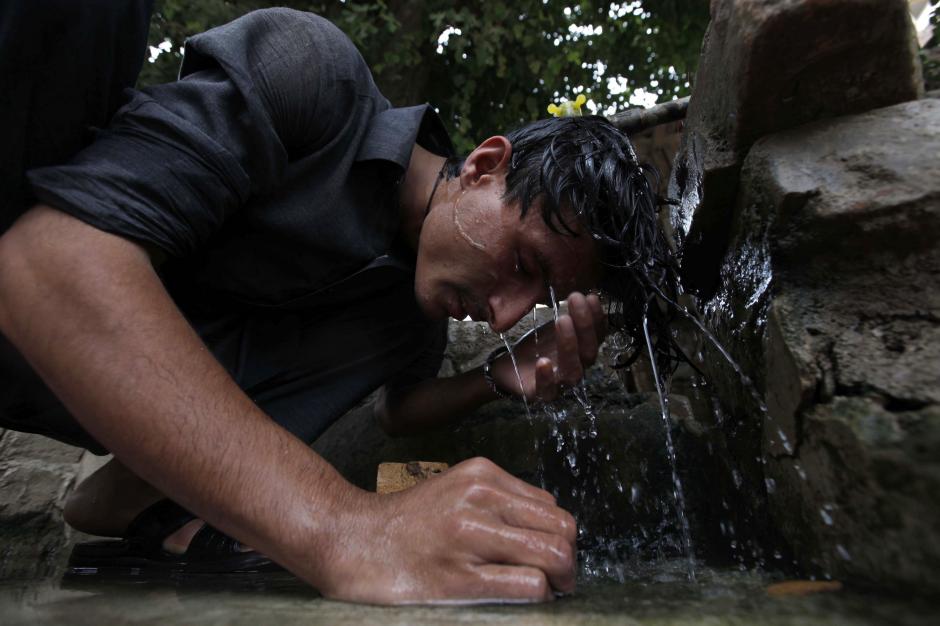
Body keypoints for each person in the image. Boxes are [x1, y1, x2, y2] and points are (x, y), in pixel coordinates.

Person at [0, 6, 674, 604]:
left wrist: (495, 379)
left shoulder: (411, 320)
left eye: (537, 300)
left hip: (100, 436)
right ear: (483, 166)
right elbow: (45, 260)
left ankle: (157, 507)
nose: (504, 317)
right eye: (523, 265)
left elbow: (397, 411)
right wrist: (342, 527)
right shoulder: (313, 81)